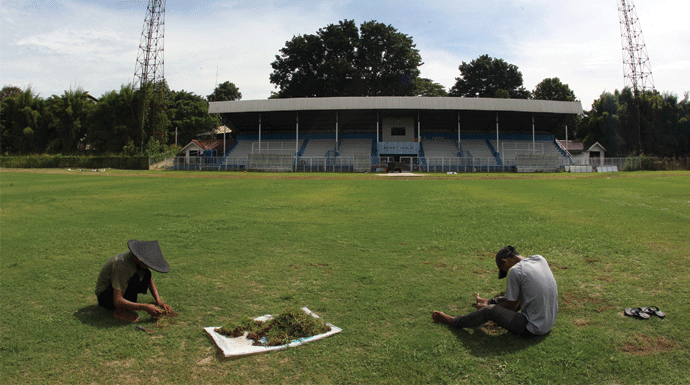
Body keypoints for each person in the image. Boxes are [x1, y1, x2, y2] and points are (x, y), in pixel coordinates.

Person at [432, 246, 558, 337]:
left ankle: (454, 321)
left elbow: (511, 305)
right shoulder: (539, 259)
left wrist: (490, 306)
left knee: (489, 311)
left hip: (532, 328)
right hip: (549, 323)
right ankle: (488, 303)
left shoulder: (515, 270)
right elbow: (516, 299)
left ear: (505, 261)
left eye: (503, 269)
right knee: (499, 302)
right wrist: (490, 301)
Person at [95, 240, 175, 322]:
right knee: (134, 280)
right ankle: (119, 311)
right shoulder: (123, 266)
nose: (149, 266)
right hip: (105, 297)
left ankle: (127, 304)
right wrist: (145, 307)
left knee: (146, 273)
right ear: (140, 260)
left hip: (117, 290)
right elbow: (117, 300)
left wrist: (158, 300)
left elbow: (149, 279)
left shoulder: (137, 261)